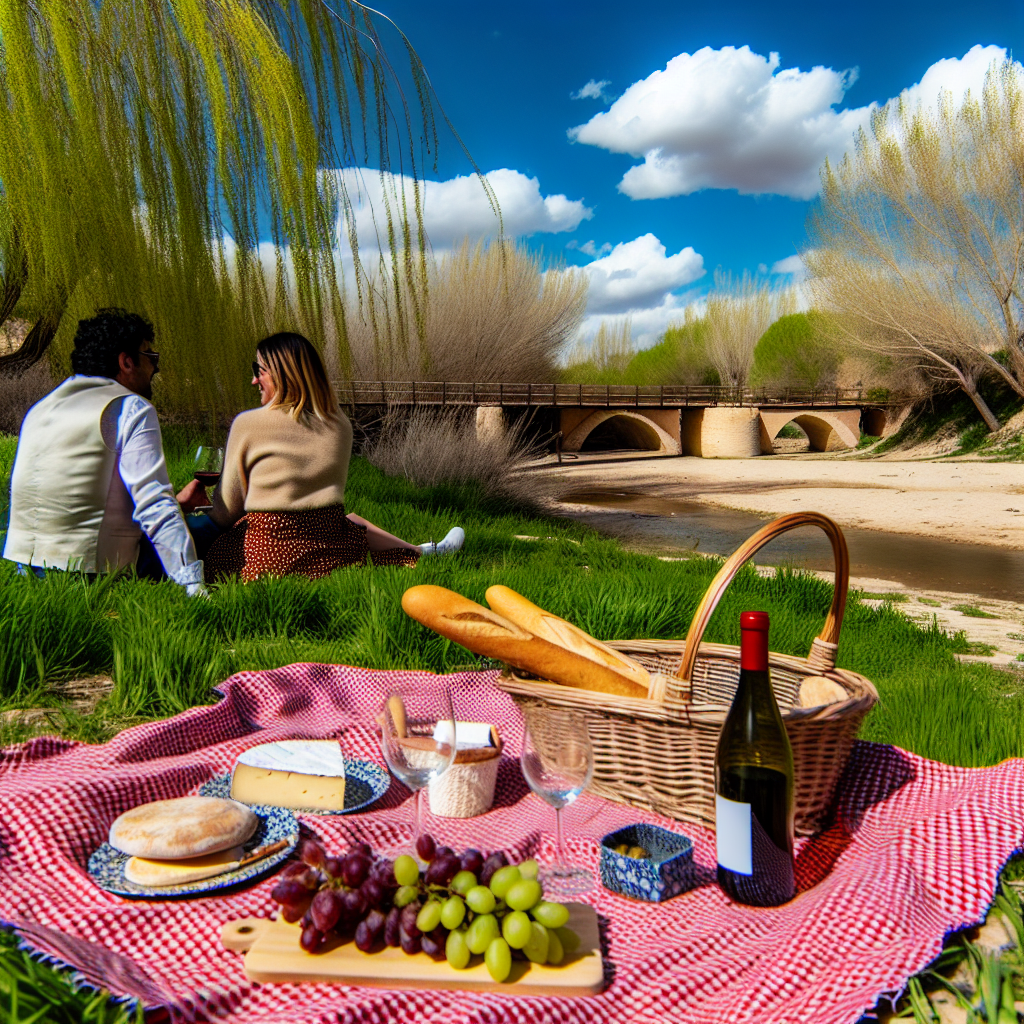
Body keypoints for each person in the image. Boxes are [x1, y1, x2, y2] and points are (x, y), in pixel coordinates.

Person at [203, 332, 463, 582]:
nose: (253, 380)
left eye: (258, 370)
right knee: (351, 523)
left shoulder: (248, 423)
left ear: (283, 374)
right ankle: (425, 551)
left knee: (225, 536)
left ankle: (426, 551)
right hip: (329, 555)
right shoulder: (339, 423)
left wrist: (194, 510)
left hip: (265, 561)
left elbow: (226, 511)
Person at [3, 309, 208, 595]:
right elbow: (153, 503)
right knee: (205, 529)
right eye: (151, 357)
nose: (156, 368)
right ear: (126, 361)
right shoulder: (130, 407)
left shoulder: (40, 408)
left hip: (24, 566)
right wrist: (192, 584)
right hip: (87, 571)